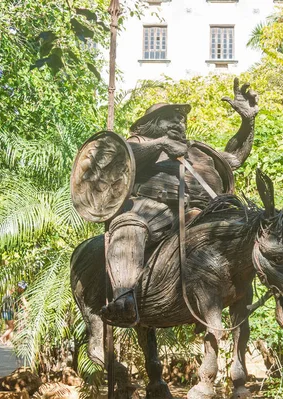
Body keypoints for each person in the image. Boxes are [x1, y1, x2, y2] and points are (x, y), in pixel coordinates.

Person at [100, 78, 259, 327]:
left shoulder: (199, 150)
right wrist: (161, 144)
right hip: (156, 211)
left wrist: (247, 123)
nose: (179, 122)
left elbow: (235, 159)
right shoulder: (138, 144)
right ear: (150, 125)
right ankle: (124, 297)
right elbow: (123, 160)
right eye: (170, 118)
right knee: (129, 224)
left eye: (181, 119)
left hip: (207, 214)